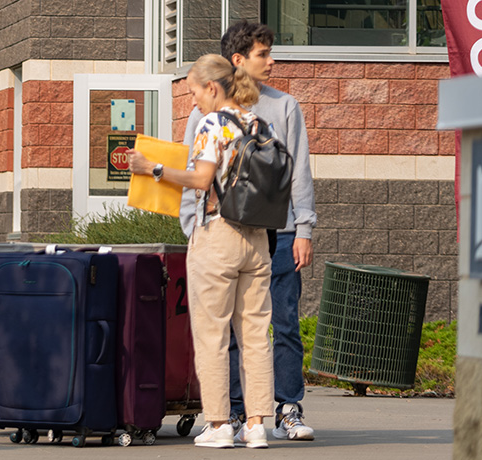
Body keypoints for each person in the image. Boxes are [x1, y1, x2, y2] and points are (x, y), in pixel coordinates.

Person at [128, 53, 276, 449]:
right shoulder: (260, 122)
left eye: (194, 92)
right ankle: (258, 424)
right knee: (256, 335)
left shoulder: (213, 123)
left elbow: (201, 178)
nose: (192, 101)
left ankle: (219, 423)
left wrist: (154, 169)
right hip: (258, 239)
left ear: (212, 87)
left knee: (211, 333)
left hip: (218, 235)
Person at [178, 21, 317, 442]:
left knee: (266, 325)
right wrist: (191, 223)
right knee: (250, 331)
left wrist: (304, 227)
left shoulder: (275, 108)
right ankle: (245, 418)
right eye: (263, 54)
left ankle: (267, 413)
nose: (271, 62)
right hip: (248, 233)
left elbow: (297, 173)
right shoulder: (240, 117)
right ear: (238, 60)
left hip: (261, 232)